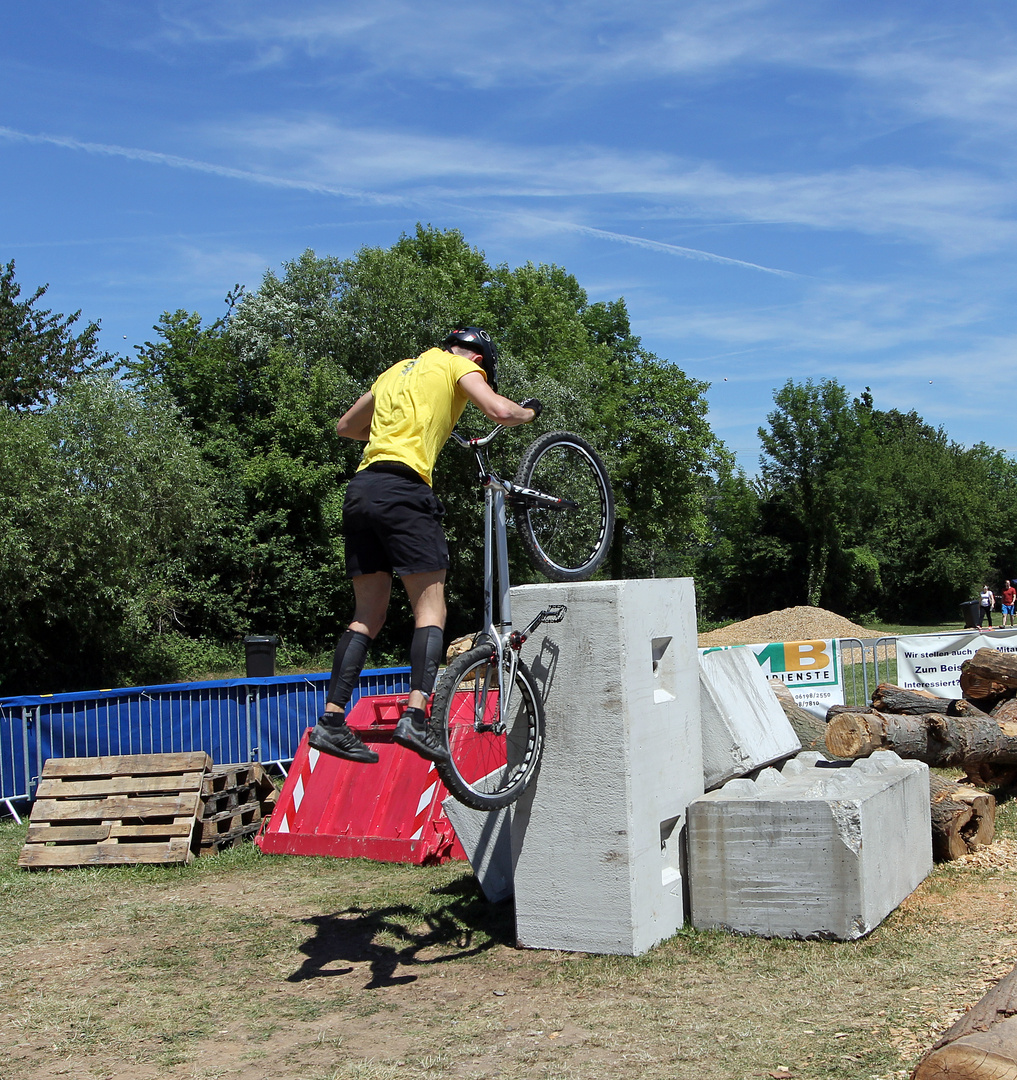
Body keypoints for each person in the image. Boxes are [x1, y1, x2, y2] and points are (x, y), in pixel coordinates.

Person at [308, 328, 539, 765]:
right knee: (430, 610)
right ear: (479, 360)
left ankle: (331, 722)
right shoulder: (459, 366)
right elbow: (497, 411)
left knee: (367, 616)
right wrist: (527, 412)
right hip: (405, 491)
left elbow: (346, 426)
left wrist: (400, 430)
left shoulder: (395, 370)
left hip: (362, 490)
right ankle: (416, 717)